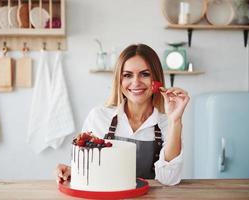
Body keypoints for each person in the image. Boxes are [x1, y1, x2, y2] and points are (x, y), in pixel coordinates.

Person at [56, 43, 190, 186]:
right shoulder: (99, 117)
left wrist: (175, 120)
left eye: (145, 74)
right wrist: (73, 170)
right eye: (127, 75)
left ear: (156, 80)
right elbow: (86, 167)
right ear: (119, 81)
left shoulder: (167, 123)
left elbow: (168, 179)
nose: (136, 82)